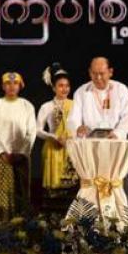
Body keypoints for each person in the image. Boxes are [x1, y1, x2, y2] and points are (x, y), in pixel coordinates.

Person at [0, 72, 37, 219]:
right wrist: (2, 152)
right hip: (1, 156)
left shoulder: (27, 106)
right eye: (8, 83)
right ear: (3, 86)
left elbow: (31, 132)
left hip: (21, 156)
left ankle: (22, 225)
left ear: (20, 86)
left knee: (21, 190)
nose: (11, 86)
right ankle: (4, 225)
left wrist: (21, 153)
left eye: (15, 83)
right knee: (3, 193)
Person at [36, 63, 79, 206]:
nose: (64, 89)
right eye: (60, 85)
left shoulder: (76, 105)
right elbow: (37, 130)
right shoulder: (46, 106)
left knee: (73, 191)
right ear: (53, 87)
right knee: (53, 194)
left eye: (67, 85)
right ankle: (51, 221)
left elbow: (80, 128)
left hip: (72, 150)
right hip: (53, 150)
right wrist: (54, 137)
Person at [66, 57, 128, 140]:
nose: (98, 78)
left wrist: (118, 133)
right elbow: (74, 117)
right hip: (89, 142)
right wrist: (77, 128)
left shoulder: (121, 90)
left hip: (115, 141)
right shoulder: (81, 92)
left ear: (110, 72)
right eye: (94, 73)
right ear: (90, 73)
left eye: (102, 73)